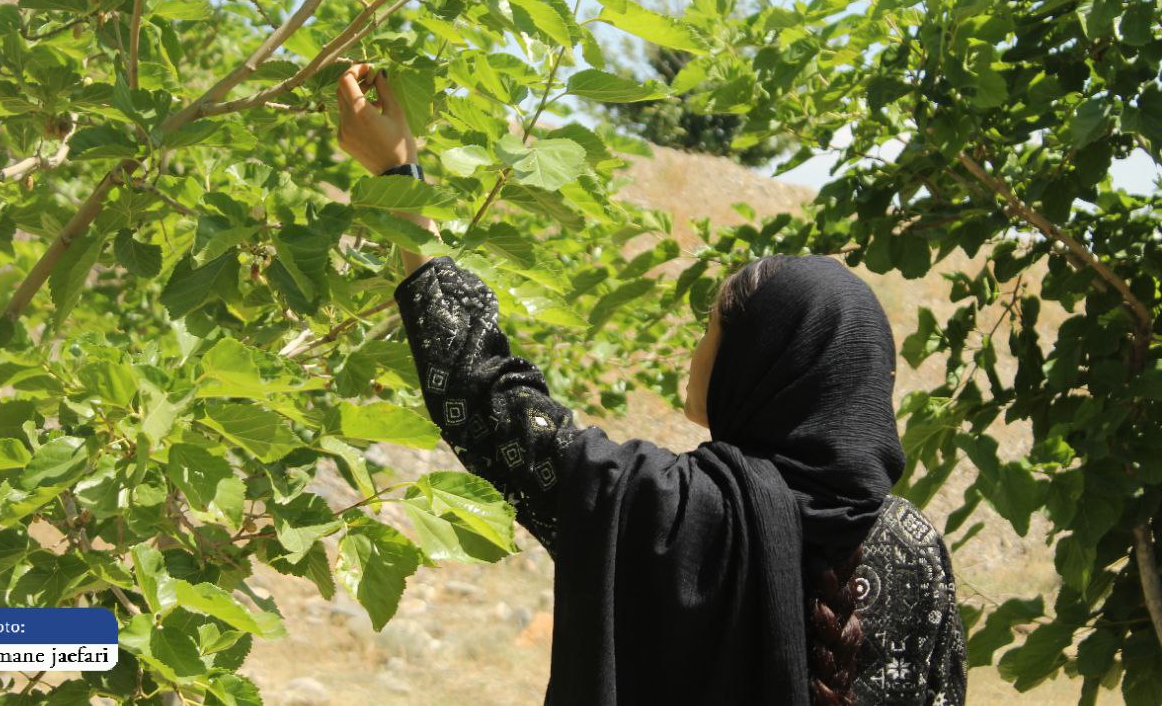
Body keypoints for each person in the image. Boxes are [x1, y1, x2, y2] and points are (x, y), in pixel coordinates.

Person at [335, 63, 968, 706]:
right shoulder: (914, 547)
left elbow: (485, 397)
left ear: (759, 367)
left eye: (711, 332)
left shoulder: (658, 512)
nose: (695, 353)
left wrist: (401, 178)